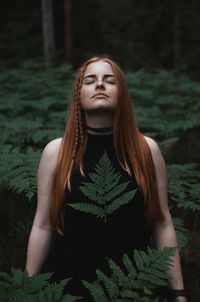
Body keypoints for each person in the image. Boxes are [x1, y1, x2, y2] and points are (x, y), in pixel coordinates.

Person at [25, 55, 188, 302]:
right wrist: (26, 288)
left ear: (122, 93)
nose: (100, 85)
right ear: (78, 95)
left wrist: (179, 293)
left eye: (109, 80)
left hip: (135, 286)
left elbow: (162, 223)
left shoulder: (146, 150)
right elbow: (43, 225)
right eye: (90, 81)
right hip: (68, 287)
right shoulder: (56, 152)